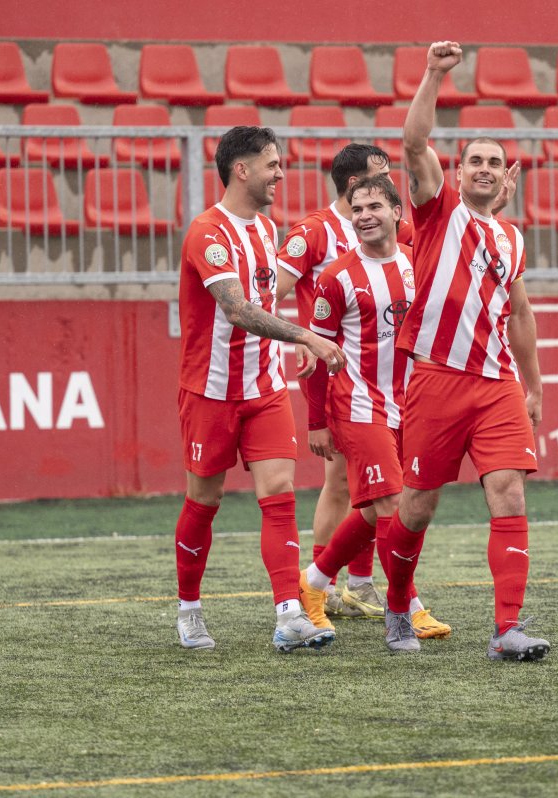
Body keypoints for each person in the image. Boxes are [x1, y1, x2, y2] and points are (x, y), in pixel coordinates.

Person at [380, 41, 547, 660]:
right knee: (417, 507)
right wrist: (433, 74)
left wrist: (533, 385)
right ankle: (398, 603)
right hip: (437, 379)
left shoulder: (511, 238)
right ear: (456, 173)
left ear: (505, 176)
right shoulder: (437, 211)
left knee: (509, 491)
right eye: (474, 160)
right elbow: (413, 142)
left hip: (497, 383)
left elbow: (519, 315)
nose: (483, 168)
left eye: (494, 162)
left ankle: (507, 629)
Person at [174, 125, 347, 653]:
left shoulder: (268, 229)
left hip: (266, 387)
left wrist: (294, 341)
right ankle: (189, 609)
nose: (281, 174)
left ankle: (289, 614)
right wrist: (305, 336)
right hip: (210, 391)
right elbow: (237, 308)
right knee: (204, 500)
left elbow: (266, 303)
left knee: (279, 495)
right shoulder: (207, 232)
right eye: (272, 164)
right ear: (241, 169)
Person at [276, 144, 449, 639]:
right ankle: (408, 607)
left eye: (376, 206)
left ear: (397, 212)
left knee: (374, 509)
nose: (365, 215)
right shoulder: (336, 278)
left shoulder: (418, 263)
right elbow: (316, 355)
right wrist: (317, 421)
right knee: (392, 507)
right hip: (358, 405)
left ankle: (313, 582)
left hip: (410, 406)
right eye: (358, 209)